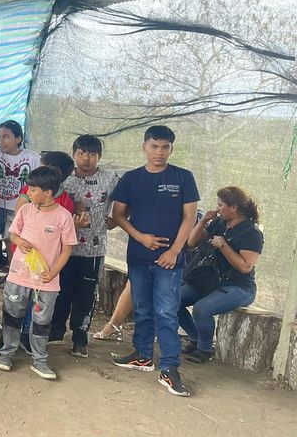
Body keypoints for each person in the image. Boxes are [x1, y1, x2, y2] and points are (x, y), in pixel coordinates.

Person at [111, 125, 199, 397]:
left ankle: (170, 367)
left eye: (165, 147)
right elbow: (118, 215)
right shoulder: (131, 178)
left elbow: (190, 217)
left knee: (166, 312)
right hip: (138, 257)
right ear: (144, 147)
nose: (159, 152)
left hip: (169, 261)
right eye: (154, 146)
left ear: (171, 149)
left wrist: (174, 251)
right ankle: (143, 354)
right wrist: (141, 238)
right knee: (142, 308)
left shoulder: (183, 177)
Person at [0, 166, 76, 380]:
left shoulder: (63, 216)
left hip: (46, 281)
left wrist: (53, 272)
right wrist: (19, 241)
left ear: (48, 192)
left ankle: (39, 360)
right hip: (19, 275)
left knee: (42, 321)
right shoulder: (25, 210)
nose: (28, 193)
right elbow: (13, 234)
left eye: (32, 189)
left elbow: (67, 249)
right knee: (12, 315)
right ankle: (6, 354)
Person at [50, 135, 120, 357]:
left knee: (86, 295)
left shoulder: (110, 179)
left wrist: (117, 219)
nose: (86, 158)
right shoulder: (63, 179)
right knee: (61, 292)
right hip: (64, 249)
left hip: (94, 249)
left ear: (99, 156)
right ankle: (55, 332)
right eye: (81, 153)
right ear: (74, 155)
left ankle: (80, 339)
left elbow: (127, 201)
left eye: (92, 154)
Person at [178, 187, 262, 364]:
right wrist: (203, 222)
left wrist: (223, 246)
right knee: (172, 300)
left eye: (221, 205)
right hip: (210, 280)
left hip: (238, 286)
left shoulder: (251, 233)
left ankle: (205, 349)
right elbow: (191, 242)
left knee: (202, 309)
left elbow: (245, 267)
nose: (217, 209)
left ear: (234, 208)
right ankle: (195, 337)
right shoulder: (219, 224)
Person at [0, 120, 40, 274]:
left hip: (18, 210)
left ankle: (12, 282)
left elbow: (40, 181)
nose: (1, 141)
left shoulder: (32, 158)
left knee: (13, 248)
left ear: (18, 138)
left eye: (6, 137)